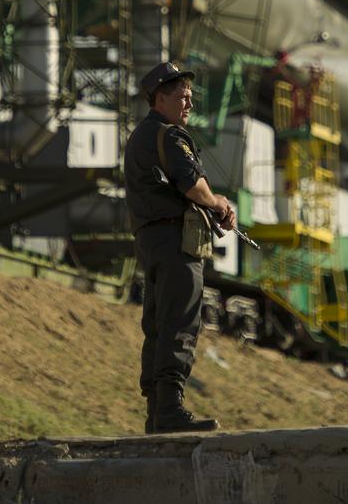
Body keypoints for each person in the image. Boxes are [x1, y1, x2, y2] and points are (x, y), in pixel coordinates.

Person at [124, 62, 236, 434]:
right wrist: (218, 203)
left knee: (157, 323)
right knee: (180, 322)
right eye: (181, 97)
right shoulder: (170, 136)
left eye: (190, 97)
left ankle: (157, 412)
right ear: (160, 98)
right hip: (176, 242)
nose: (188, 103)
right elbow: (193, 186)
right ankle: (170, 410)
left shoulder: (139, 137)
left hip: (150, 241)